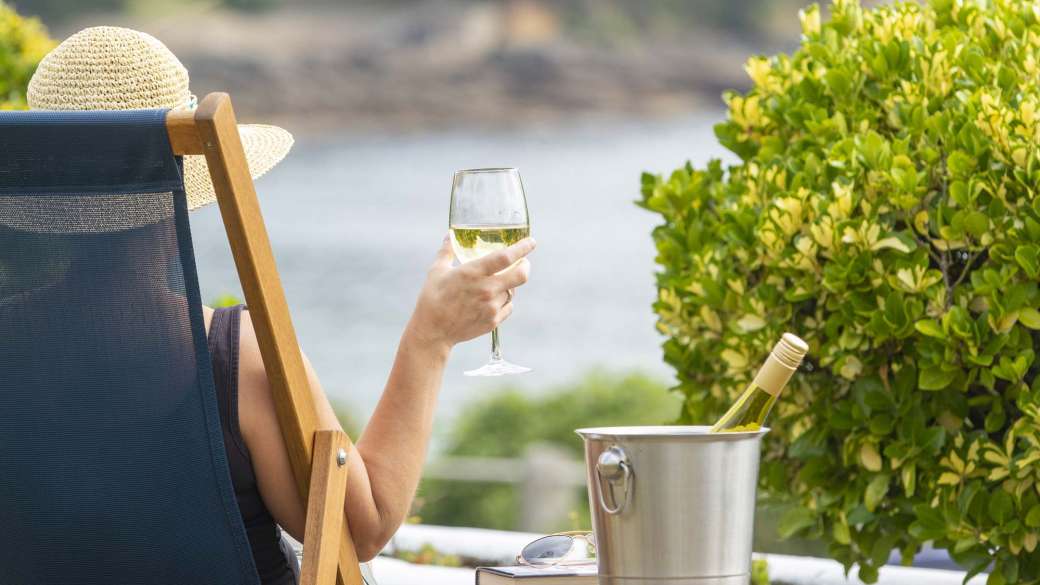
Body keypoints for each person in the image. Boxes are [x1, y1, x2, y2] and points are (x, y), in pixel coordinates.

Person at [24, 26, 535, 584]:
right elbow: (362, 530)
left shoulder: (12, 356)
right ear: (183, 180)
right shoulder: (234, 362)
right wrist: (430, 339)